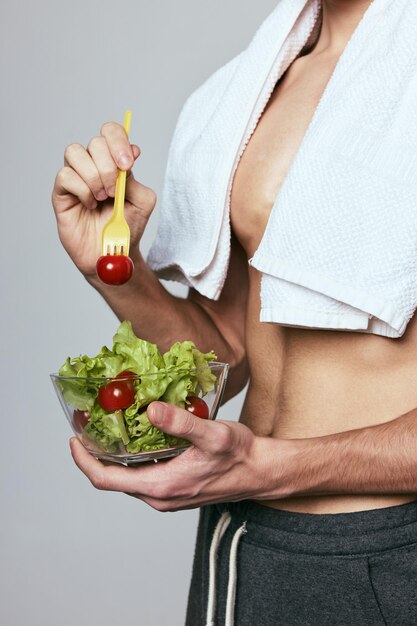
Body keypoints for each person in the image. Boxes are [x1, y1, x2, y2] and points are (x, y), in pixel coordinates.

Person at [52, 0, 417, 624]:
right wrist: (118, 271)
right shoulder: (251, 86)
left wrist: (272, 468)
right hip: (243, 535)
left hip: (386, 547)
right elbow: (227, 352)